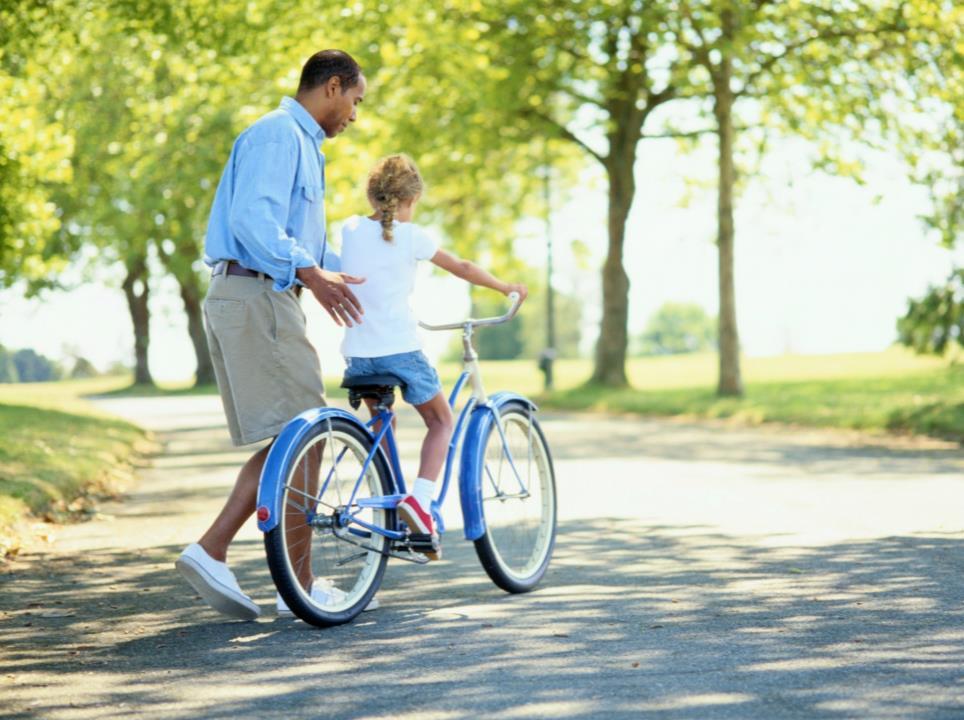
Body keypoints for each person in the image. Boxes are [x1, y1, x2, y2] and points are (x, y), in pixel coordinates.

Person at [175, 50, 371, 620]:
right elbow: (253, 223)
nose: (354, 116)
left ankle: (270, 572)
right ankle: (277, 576)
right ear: (332, 87)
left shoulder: (301, 145)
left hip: (263, 292)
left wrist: (358, 272)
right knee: (306, 433)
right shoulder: (278, 135)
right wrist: (311, 272)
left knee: (292, 437)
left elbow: (302, 241)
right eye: (355, 101)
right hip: (258, 292)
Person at [338, 154, 527, 558]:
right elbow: (461, 266)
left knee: (380, 424)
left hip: (358, 355)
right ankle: (420, 502)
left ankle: (391, 504)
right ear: (410, 200)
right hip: (400, 350)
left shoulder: (350, 229)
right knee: (441, 420)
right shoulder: (411, 235)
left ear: (373, 196)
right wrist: (503, 286)